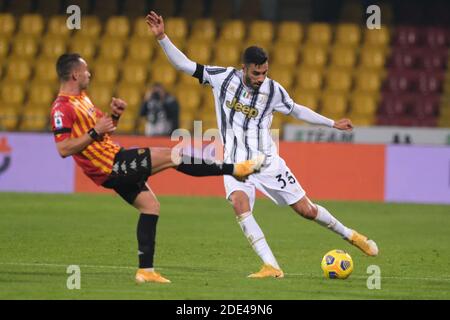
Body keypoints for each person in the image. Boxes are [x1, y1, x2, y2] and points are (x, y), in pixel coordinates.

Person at [146, 11, 379, 278]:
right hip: (235, 163)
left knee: (307, 210)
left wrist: (331, 123)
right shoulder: (222, 78)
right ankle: (272, 266)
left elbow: (297, 110)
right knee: (239, 204)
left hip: (267, 161)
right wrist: (162, 37)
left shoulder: (273, 90)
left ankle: (351, 236)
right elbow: (185, 65)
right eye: (256, 73)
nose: (260, 78)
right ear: (243, 68)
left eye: (264, 72)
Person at [50, 53, 265, 284]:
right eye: (85, 70)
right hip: (110, 165)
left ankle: (146, 271)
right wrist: (95, 131)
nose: (89, 73)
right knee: (174, 156)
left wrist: (114, 116)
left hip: (114, 161)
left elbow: (105, 131)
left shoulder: (83, 99)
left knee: (150, 207)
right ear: (74, 74)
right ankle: (235, 169)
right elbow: (64, 149)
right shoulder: (61, 108)